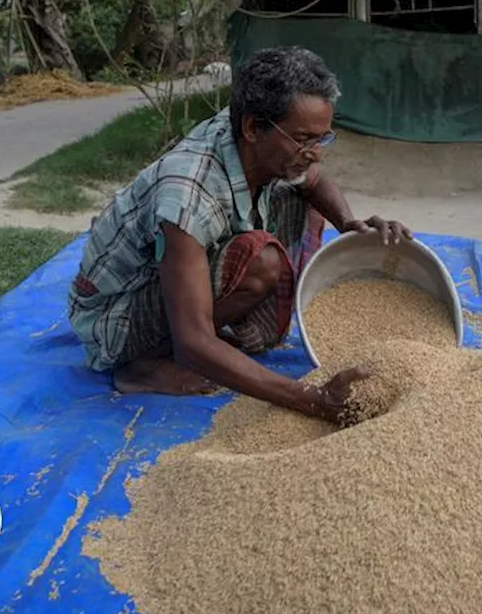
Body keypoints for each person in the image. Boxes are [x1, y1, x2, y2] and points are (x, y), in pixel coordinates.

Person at [67, 46, 409, 424]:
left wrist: (349, 226)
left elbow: (313, 180)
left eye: (322, 139)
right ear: (251, 128)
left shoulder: (258, 137)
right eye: (303, 140)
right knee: (260, 260)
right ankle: (144, 363)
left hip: (171, 274)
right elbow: (194, 339)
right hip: (115, 319)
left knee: (302, 199)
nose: (315, 154)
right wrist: (313, 400)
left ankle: (210, 333)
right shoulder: (187, 194)